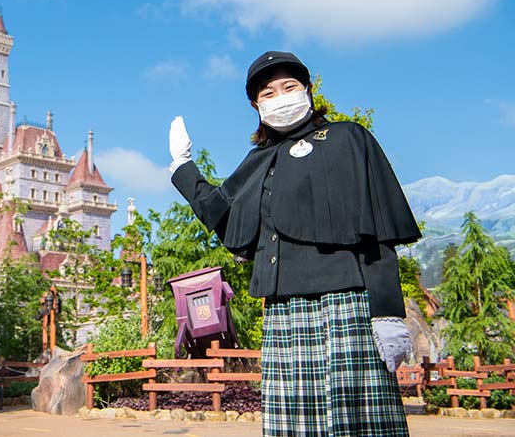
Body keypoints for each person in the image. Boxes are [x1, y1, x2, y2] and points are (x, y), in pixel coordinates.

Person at [168, 51, 420, 436]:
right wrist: (183, 167)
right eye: (269, 93)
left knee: (362, 426)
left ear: (307, 90)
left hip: (347, 305)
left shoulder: (348, 138)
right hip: (284, 310)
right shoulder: (259, 160)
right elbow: (225, 219)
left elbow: (378, 229)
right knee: (295, 426)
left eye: (289, 87)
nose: (281, 97)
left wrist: (387, 310)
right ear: (256, 106)